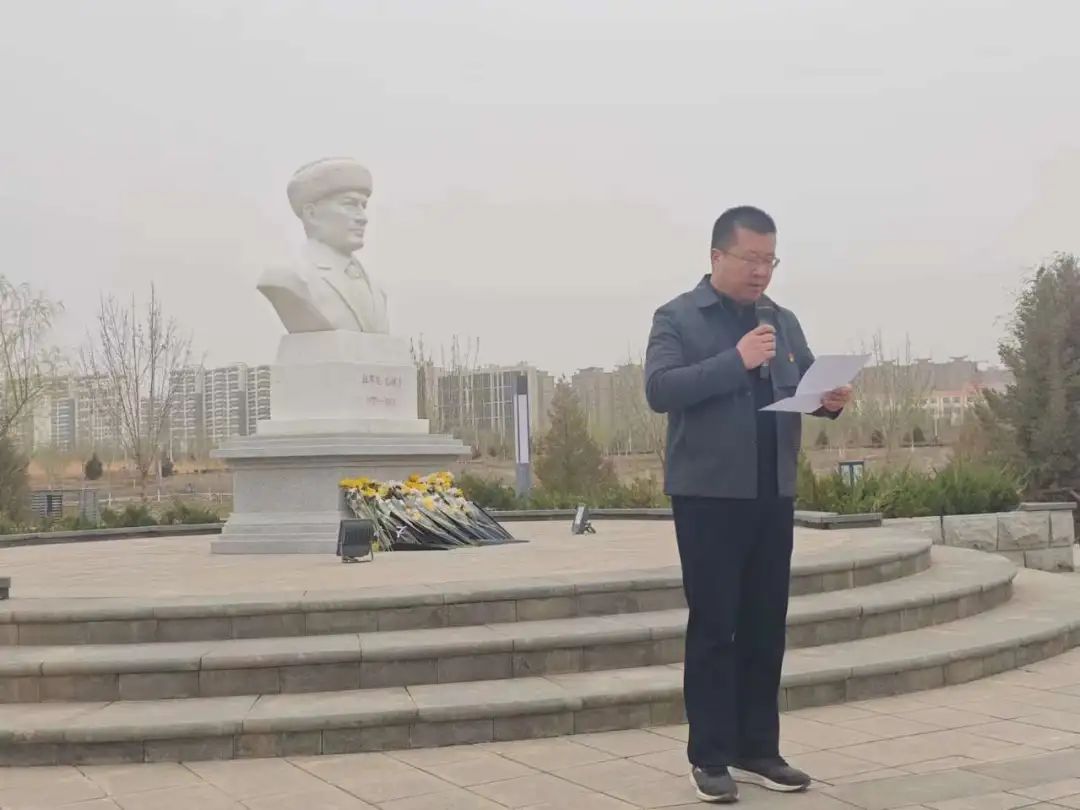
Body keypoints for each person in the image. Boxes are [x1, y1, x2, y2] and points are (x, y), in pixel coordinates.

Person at [644, 206, 851, 803]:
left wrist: (830, 399)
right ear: (717, 256)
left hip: (772, 491)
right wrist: (736, 360)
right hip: (708, 496)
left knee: (765, 625)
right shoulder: (677, 317)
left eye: (770, 260)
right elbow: (660, 389)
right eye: (751, 259)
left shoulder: (781, 320)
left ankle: (759, 748)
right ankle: (710, 756)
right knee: (715, 626)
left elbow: (803, 386)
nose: (762, 271)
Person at [258, 157, 390, 335]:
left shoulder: (377, 289)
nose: (362, 218)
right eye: (350, 204)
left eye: (363, 206)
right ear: (311, 214)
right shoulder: (286, 277)